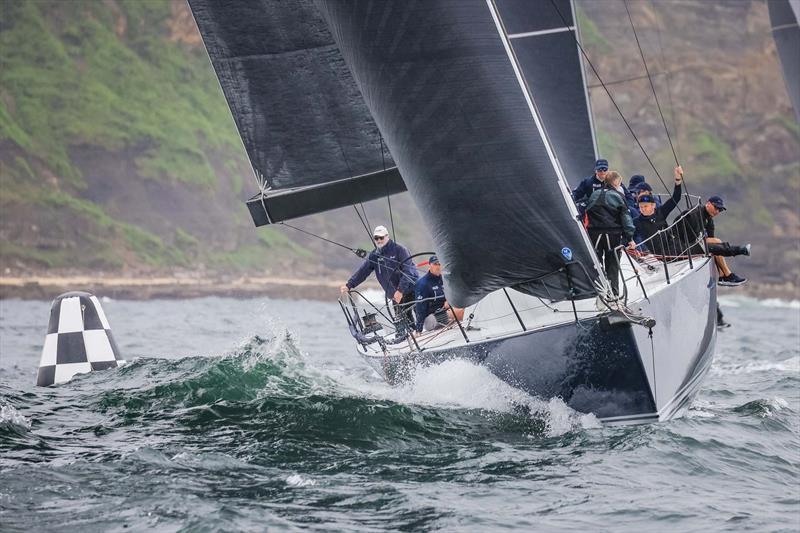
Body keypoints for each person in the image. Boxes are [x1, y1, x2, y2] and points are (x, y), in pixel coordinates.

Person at [340, 225, 419, 329]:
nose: (379, 240)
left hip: (412, 290)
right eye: (376, 238)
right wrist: (349, 285)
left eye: (381, 237)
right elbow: (363, 271)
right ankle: (411, 337)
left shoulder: (400, 249)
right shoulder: (374, 255)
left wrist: (400, 290)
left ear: (387, 236)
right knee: (404, 327)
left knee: (422, 317)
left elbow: (408, 272)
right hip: (395, 295)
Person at [585, 171, 636, 295]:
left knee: (597, 263)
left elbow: (586, 214)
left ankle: (598, 292)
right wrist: (630, 238)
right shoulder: (618, 196)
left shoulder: (594, 195)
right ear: (616, 182)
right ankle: (614, 293)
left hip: (594, 234)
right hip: (612, 234)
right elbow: (626, 219)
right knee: (612, 262)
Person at [695, 196, 749, 286]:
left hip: (699, 243)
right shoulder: (697, 213)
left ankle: (724, 275)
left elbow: (713, 244)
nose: (717, 211)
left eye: (720, 210)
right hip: (687, 245)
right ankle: (726, 275)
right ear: (708, 204)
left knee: (716, 244)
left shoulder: (709, 220)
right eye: (716, 208)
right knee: (717, 241)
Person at [634, 166, 684, 254]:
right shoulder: (637, 221)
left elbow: (676, 198)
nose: (643, 209)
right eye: (641, 207)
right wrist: (634, 249)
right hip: (656, 257)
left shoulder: (661, 212)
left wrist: (678, 180)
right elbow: (629, 236)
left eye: (646, 206)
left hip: (674, 249)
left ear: (653, 205)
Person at [413, 255, 464, 333]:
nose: (438, 267)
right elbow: (420, 308)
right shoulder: (422, 284)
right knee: (461, 312)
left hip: (446, 310)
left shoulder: (445, 279)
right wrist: (418, 330)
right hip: (431, 318)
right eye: (435, 264)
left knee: (467, 307)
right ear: (429, 266)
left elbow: (453, 294)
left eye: (439, 264)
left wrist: (448, 301)